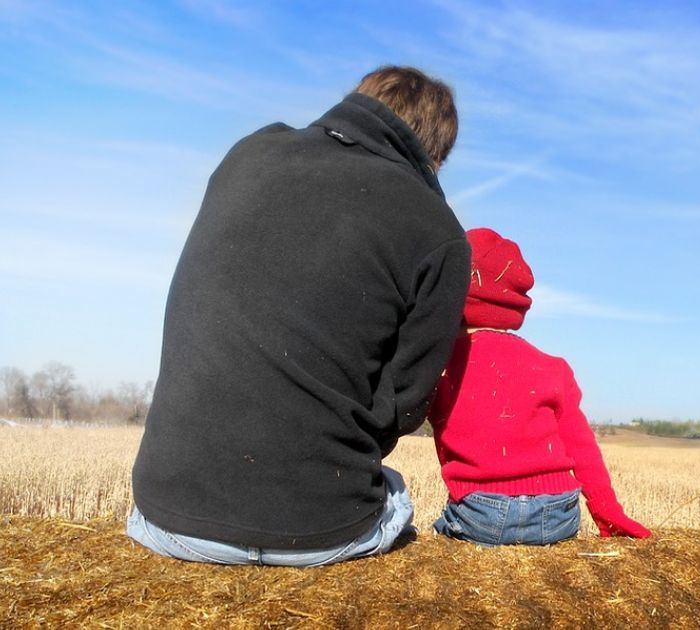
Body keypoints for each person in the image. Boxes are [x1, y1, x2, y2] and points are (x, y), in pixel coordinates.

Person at [128, 66, 471, 566]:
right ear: (434, 155)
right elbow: (404, 403)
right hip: (318, 531)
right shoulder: (440, 233)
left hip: (163, 516)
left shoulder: (249, 153)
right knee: (395, 493)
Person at [429, 228, 651, 545]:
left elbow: (437, 438)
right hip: (560, 512)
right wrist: (608, 514)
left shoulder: (444, 367)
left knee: (439, 531)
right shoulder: (552, 367)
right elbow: (582, 448)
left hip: (483, 512)